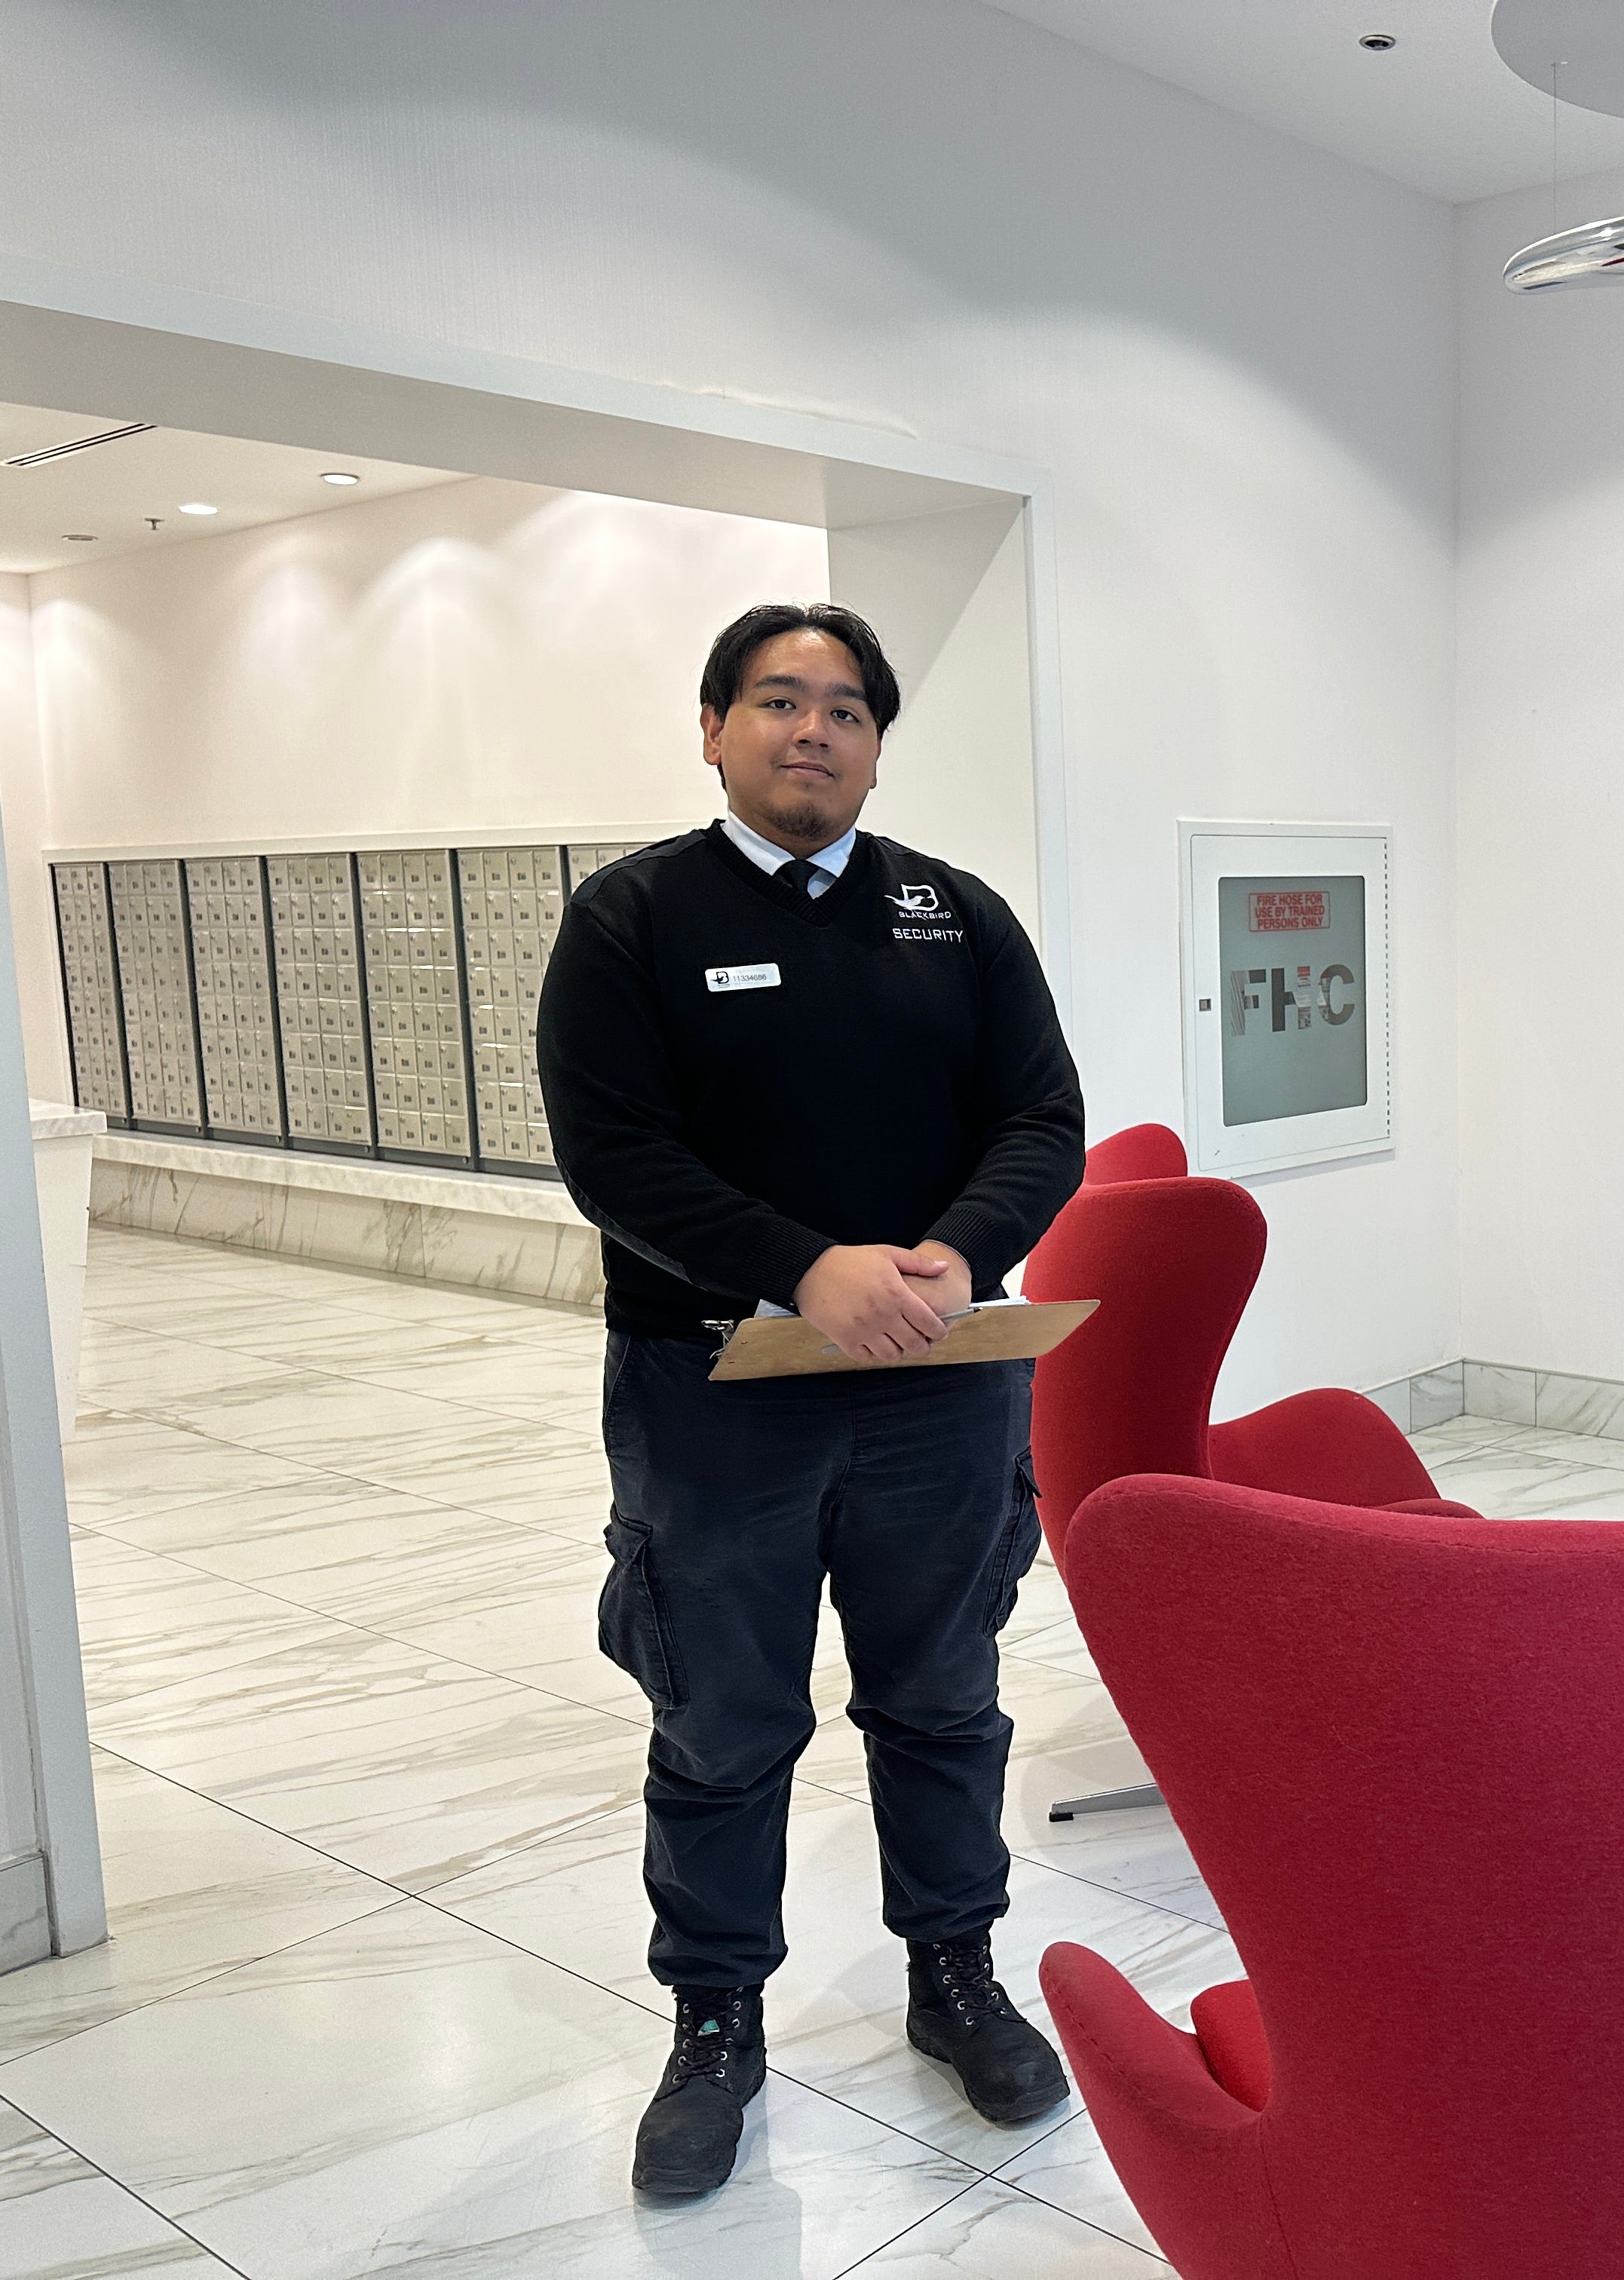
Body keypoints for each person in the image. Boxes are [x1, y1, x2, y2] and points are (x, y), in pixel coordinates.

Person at [537, 600, 1085, 2196]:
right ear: (711, 728)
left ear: (874, 743)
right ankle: (715, 2019)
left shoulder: (953, 916)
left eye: (846, 709)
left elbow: (1041, 1119)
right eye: (777, 701)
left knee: (942, 1693)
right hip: (717, 1387)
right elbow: (614, 1155)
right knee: (724, 1714)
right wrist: (804, 1267)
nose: (813, 731)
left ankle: (955, 1974)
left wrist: (954, 1254)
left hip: (935, 1382)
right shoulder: (633, 917)